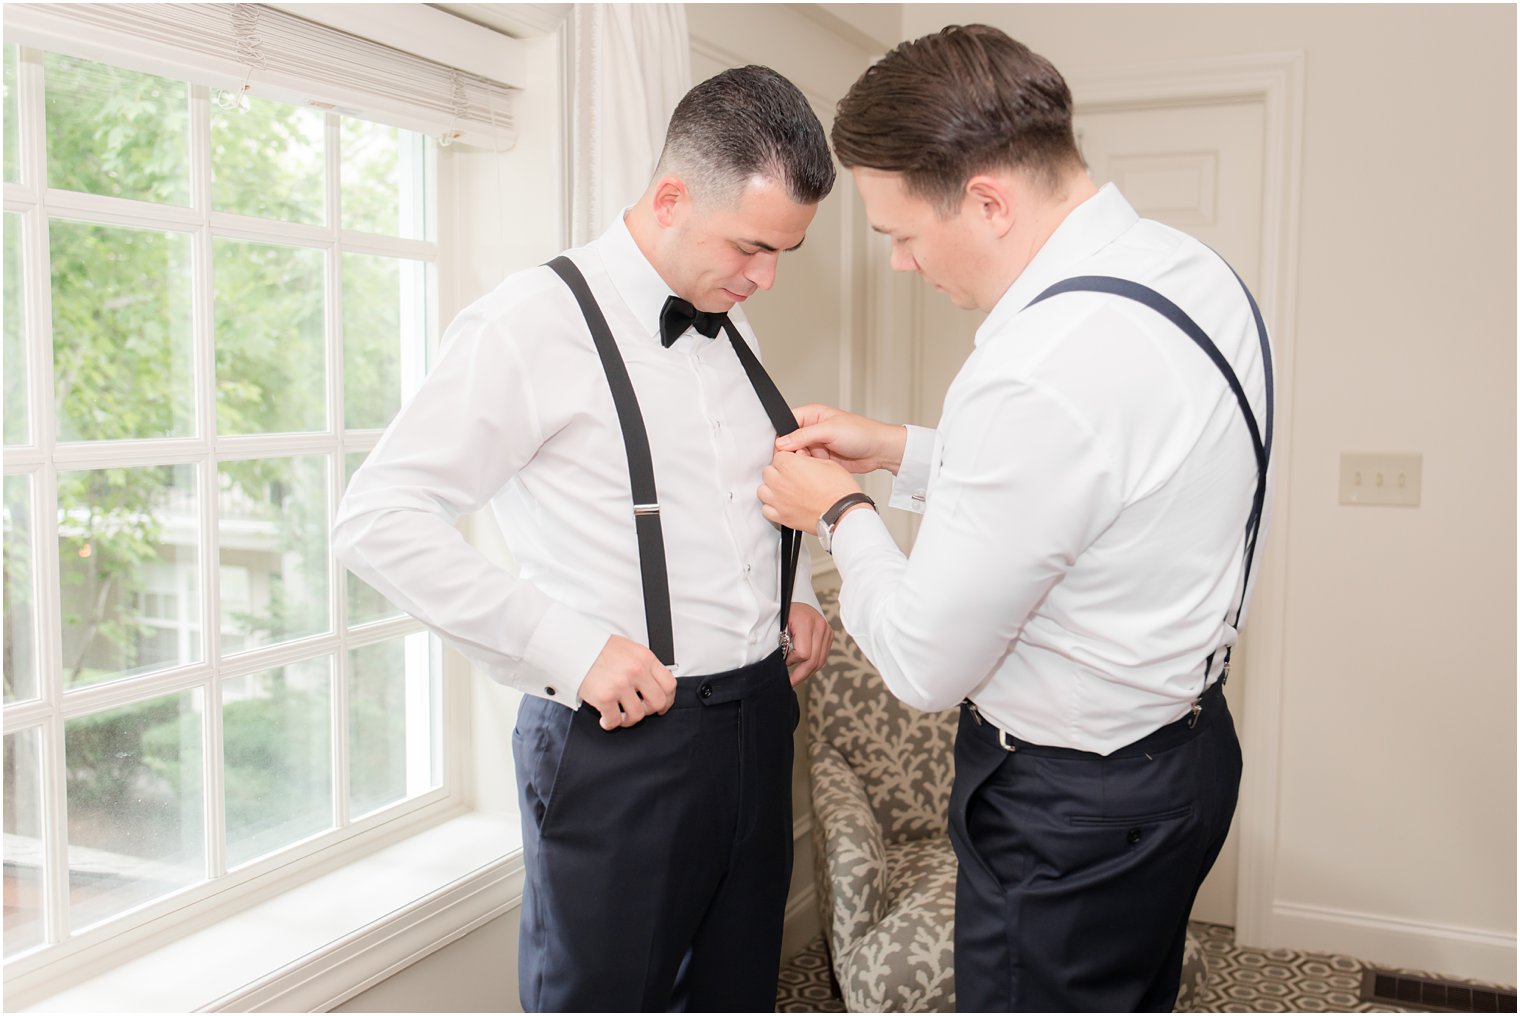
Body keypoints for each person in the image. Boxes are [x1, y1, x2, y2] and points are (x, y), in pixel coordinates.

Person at [757, 25, 1273, 1013]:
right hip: (1185, 760)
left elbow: (918, 660)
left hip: (1070, 814)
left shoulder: (1032, 368)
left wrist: (840, 510)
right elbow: (1099, 487)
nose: (901, 265)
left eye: (900, 234)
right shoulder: (1193, 275)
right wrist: (901, 449)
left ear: (987, 199)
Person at [333, 65, 836, 1013]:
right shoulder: (528, 324)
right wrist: (570, 647)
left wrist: (795, 590)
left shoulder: (733, 321)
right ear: (673, 196)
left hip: (760, 728)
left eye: (784, 254)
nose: (765, 277)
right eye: (752, 247)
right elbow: (379, 519)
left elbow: (740, 485)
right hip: (622, 751)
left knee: (736, 996)